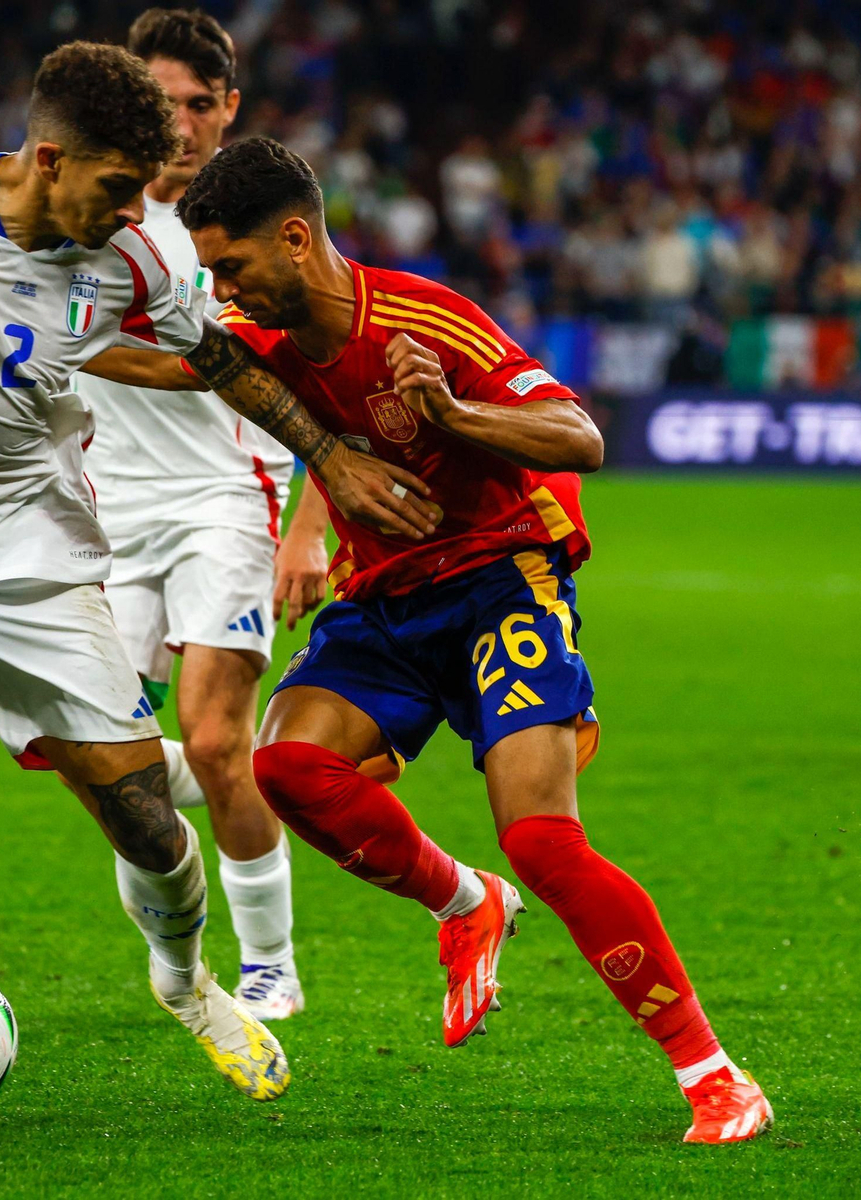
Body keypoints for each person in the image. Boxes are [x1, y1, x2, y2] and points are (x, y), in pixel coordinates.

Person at [0, 45, 435, 1151]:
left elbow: (220, 361)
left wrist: (332, 461)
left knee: (143, 822)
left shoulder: (129, 261)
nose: (132, 213)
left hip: (40, 554)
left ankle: (186, 982)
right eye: (117, 187)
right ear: (51, 157)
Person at [105, 135, 773, 1145]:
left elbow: (581, 438)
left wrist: (453, 414)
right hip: (381, 602)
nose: (222, 287)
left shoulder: (425, 320)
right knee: (285, 766)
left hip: (501, 581)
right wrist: (23, 337)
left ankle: (714, 1076)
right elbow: (172, 360)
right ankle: (463, 903)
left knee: (543, 838)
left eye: (232, 266)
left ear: (294, 239)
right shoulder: (258, 336)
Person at [74, 8, 319, 1022]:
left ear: (227, 107)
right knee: (89, 758)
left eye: (191, 104)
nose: (172, 125)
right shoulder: (87, 211)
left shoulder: (250, 229)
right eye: (155, 101)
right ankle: (182, 941)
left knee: (215, 740)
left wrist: (310, 530)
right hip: (103, 510)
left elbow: (319, 379)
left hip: (229, 496)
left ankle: (271, 962)